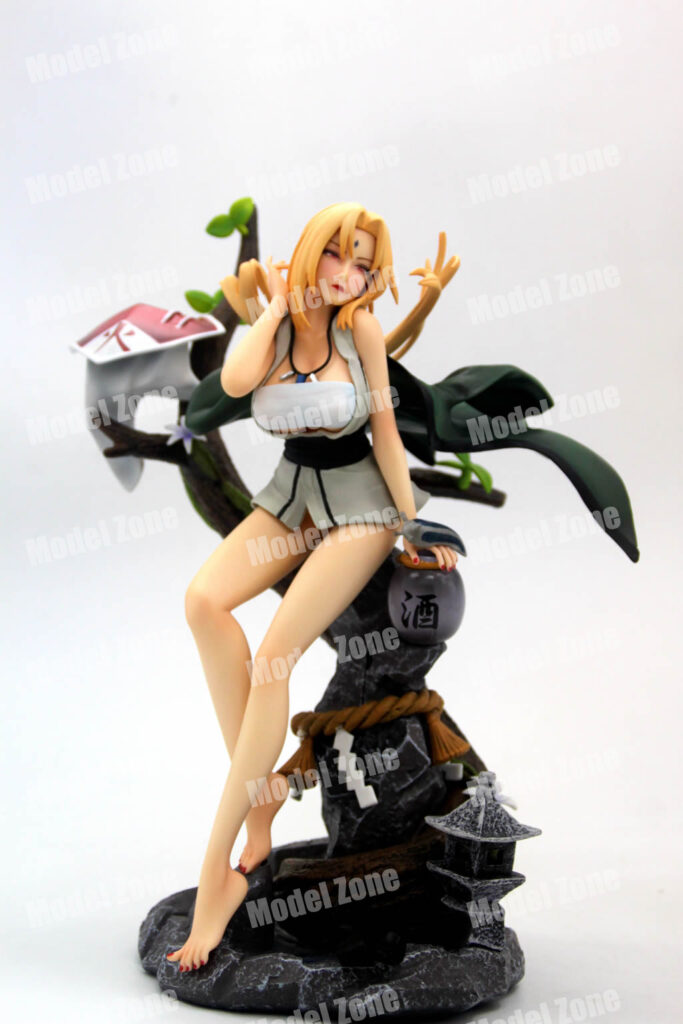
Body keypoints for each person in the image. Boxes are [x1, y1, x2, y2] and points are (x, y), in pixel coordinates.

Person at [166, 202, 462, 971]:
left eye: (364, 264)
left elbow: (385, 433)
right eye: (338, 255)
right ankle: (260, 797)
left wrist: (412, 525)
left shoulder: (360, 331)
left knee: (273, 659)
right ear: (311, 252)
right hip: (289, 496)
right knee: (202, 602)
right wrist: (274, 309)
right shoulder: (275, 322)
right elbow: (235, 381)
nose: (349, 275)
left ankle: (218, 874)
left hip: (360, 505)